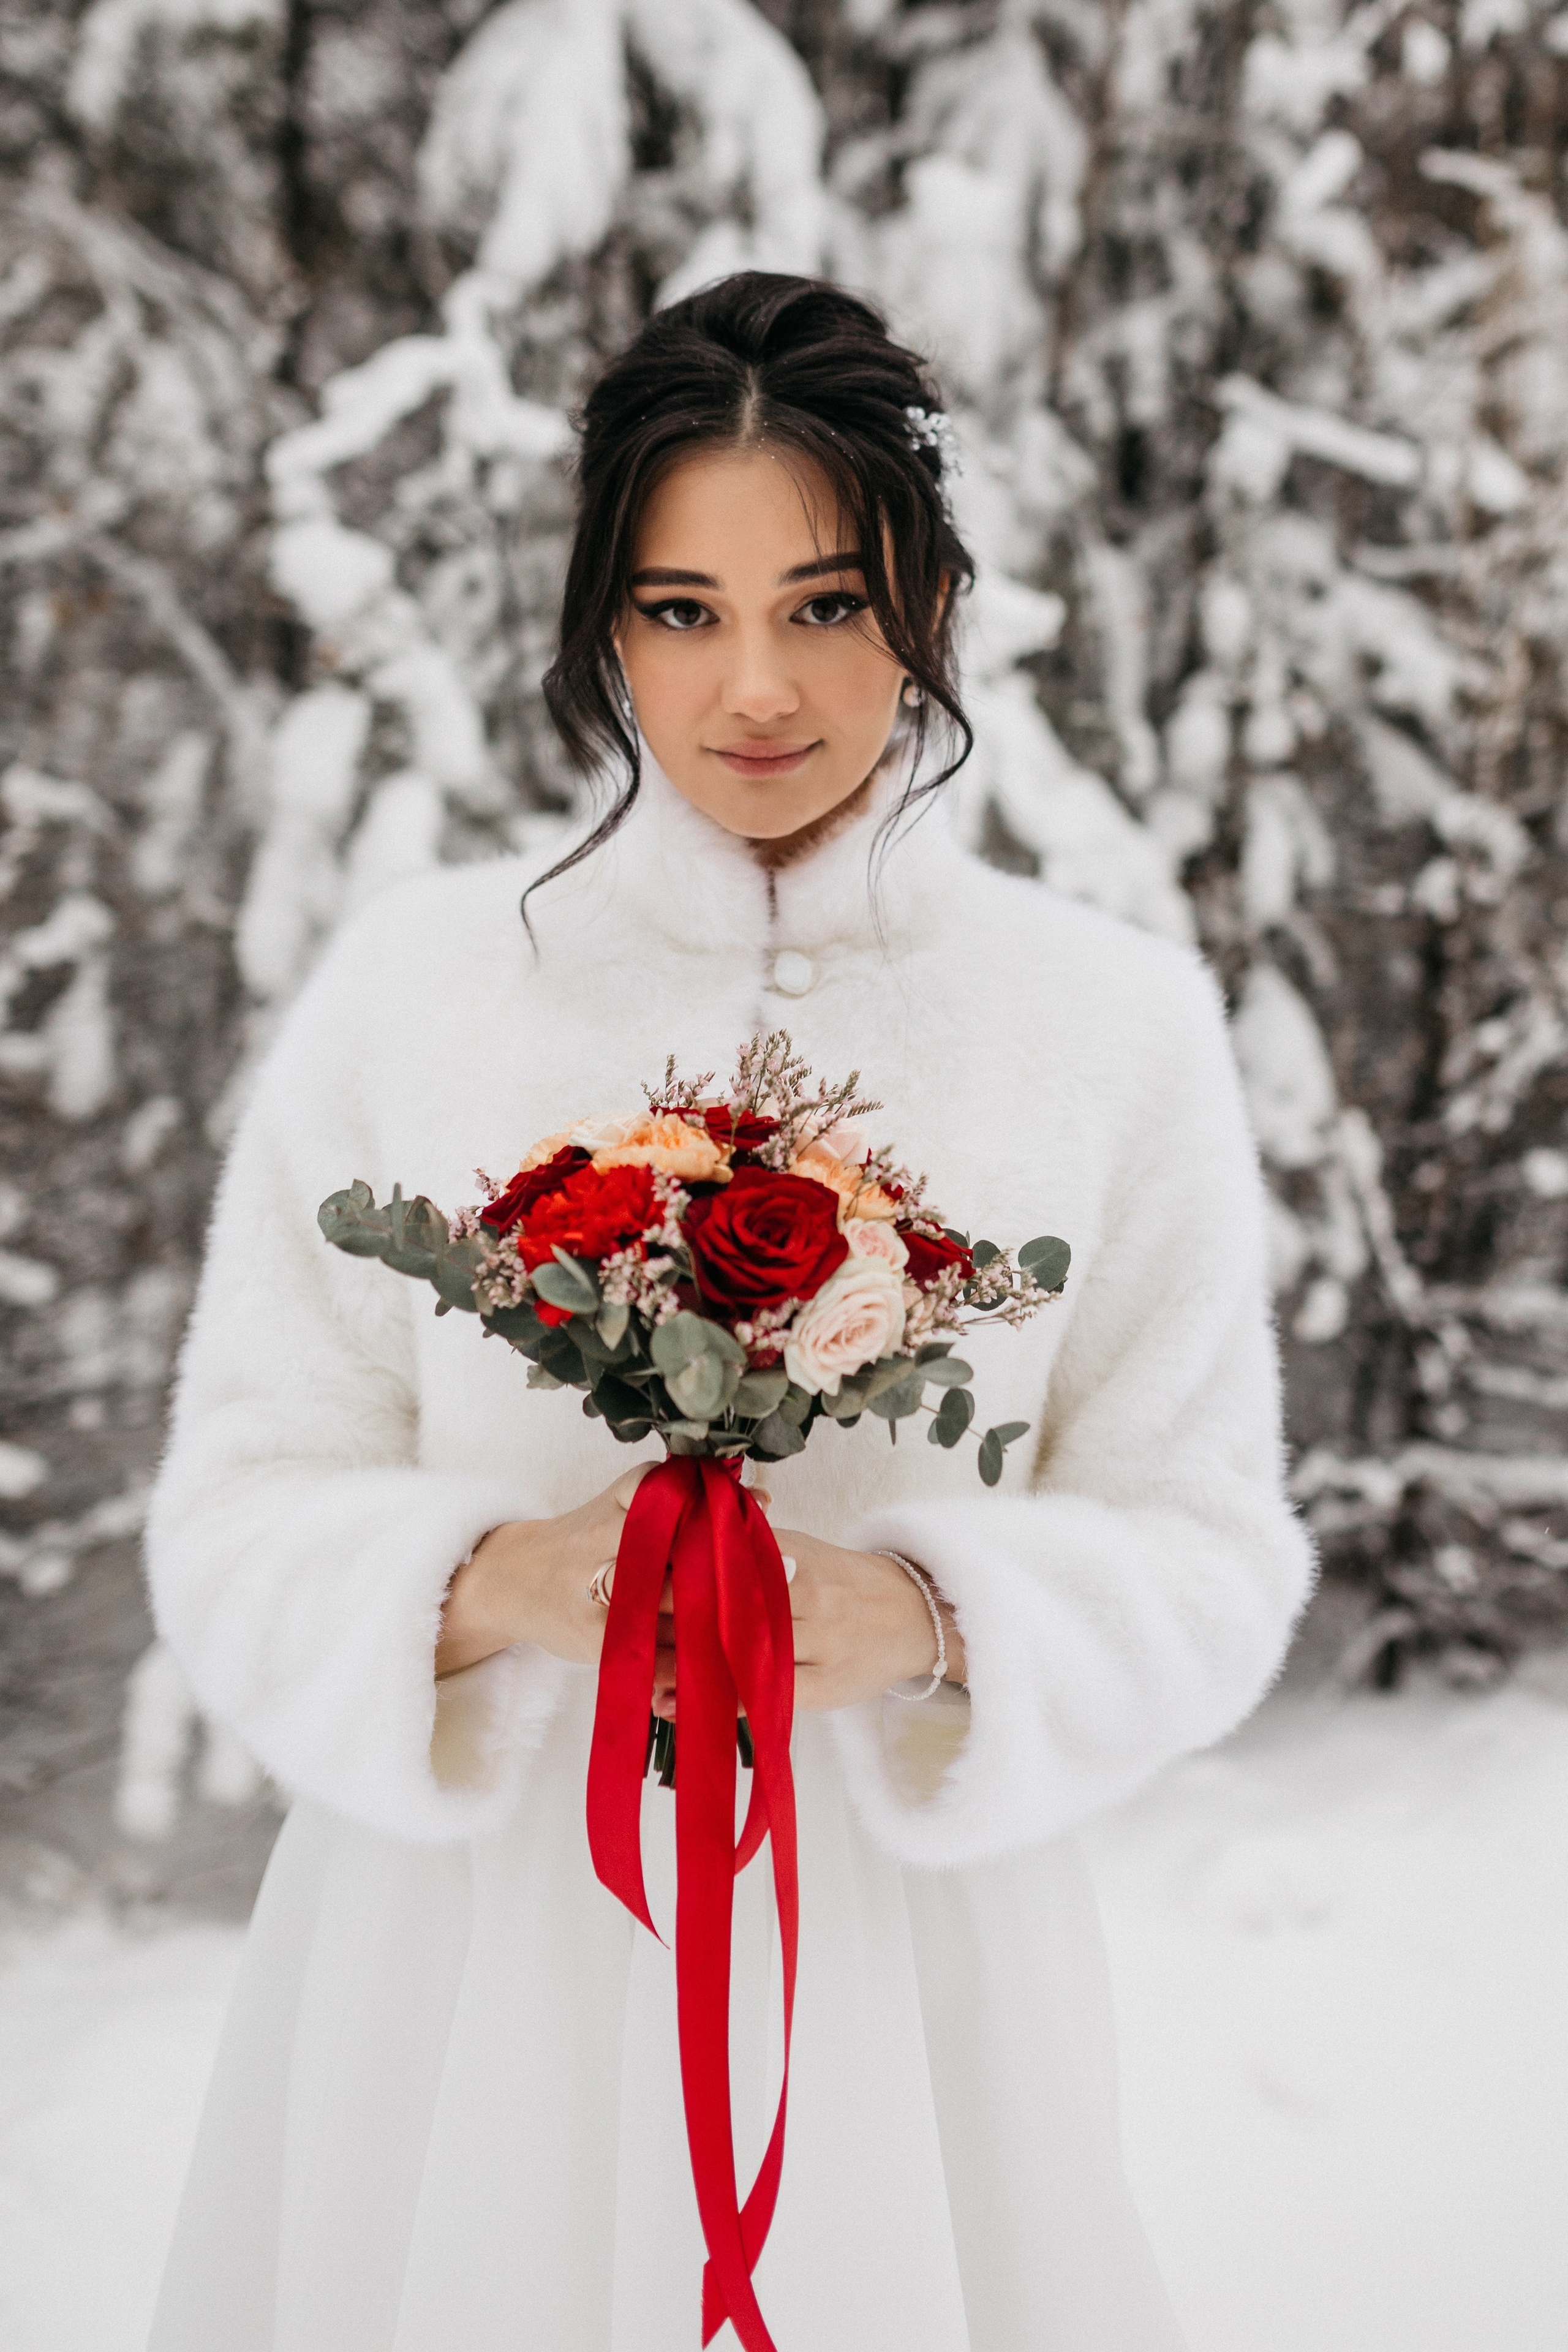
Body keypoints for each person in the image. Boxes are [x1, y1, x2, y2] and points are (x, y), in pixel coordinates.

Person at [145, 273, 1313, 2352]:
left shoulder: (1109, 1031)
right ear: (603, 625)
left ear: (932, 606)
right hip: (466, 1968)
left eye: (828, 604)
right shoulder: (415, 998)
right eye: (683, 608)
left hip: (912, 1995)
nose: (755, 685)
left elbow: (1211, 1548)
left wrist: (940, 1617)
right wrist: (495, 1582)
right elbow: (239, 1510)